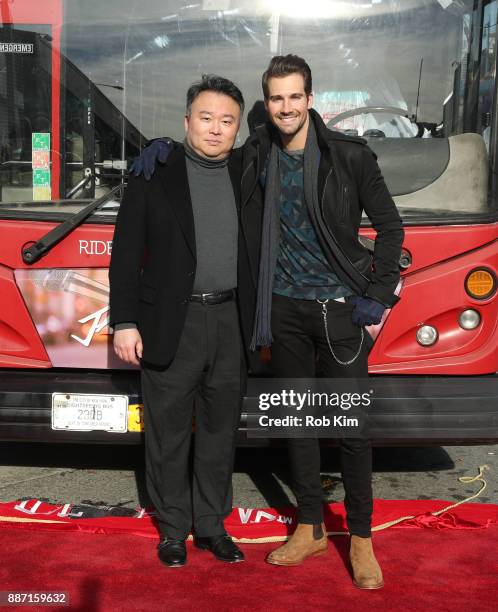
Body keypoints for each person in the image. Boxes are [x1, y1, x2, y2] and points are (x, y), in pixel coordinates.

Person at [131, 55, 404, 589]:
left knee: (350, 428)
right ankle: (309, 527)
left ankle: (363, 538)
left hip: (342, 312)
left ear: (310, 98)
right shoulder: (255, 154)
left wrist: (377, 295)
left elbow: (391, 228)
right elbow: (203, 151)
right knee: (299, 426)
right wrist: (160, 148)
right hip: (282, 310)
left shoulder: (349, 156)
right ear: (268, 103)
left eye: (294, 97)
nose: (286, 107)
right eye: (276, 98)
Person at [109, 75, 256, 568]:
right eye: (207, 117)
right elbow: (125, 254)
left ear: (238, 129)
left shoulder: (249, 171)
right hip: (171, 323)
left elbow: (297, 134)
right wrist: (125, 321)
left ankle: (212, 527)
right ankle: (172, 529)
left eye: (227, 121)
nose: (216, 129)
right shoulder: (154, 172)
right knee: (167, 434)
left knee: (219, 434)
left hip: (232, 322)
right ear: (187, 120)